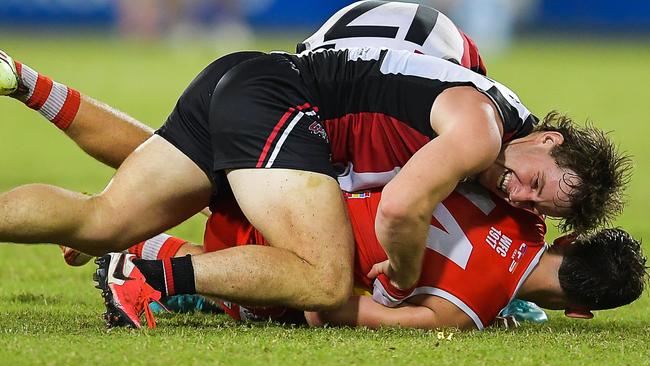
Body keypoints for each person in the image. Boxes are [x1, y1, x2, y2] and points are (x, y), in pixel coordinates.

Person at [0, 3, 630, 318]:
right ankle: (147, 275)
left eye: (534, 203)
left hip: (256, 83)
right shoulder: (480, 133)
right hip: (284, 105)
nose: (518, 195)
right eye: (536, 182)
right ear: (546, 137)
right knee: (324, 277)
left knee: (104, 218)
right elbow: (403, 210)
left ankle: (27, 87)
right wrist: (404, 278)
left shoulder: (477, 117)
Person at [97, 186, 647, 330]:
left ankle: (117, 225)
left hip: (294, 185)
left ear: (570, 240)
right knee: (289, 299)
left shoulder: (521, 203)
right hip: (282, 247)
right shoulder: (462, 313)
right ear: (579, 312)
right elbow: (328, 311)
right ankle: (150, 258)